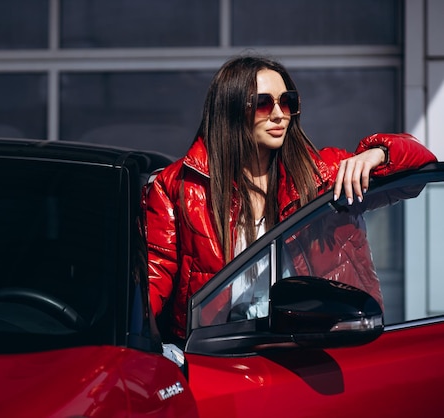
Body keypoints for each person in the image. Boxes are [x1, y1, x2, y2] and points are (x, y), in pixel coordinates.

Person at [144, 55, 437, 343]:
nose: (279, 114)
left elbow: (419, 170)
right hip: (219, 354)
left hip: (315, 350)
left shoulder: (323, 175)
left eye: (287, 102)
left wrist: (379, 154)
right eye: (263, 103)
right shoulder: (179, 185)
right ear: (230, 109)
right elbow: (153, 276)